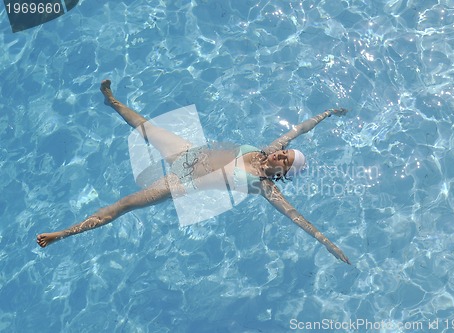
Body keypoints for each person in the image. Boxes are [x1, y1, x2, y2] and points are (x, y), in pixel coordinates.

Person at [37, 80, 351, 265]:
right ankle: (113, 101)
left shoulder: (266, 187)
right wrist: (327, 114)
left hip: (180, 181)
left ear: (283, 172)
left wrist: (328, 243)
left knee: (125, 205)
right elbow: (298, 129)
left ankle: (62, 233)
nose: (282, 152)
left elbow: (297, 218)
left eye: (286, 158)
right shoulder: (267, 150)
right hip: (189, 153)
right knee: (146, 127)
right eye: (285, 152)